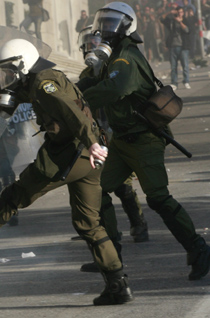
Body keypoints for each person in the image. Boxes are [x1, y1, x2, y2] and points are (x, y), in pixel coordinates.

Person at [0, 38, 134, 306]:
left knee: (14, 197)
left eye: (8, 70)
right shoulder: (38, 79)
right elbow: (21, 96)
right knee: (89, 223)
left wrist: (92, 142)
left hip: (70, 156)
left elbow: (70, 111)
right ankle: (118, 284)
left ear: (22, 65)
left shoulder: (44, 83)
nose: (5, 76)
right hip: (88, 158)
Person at [77, 2, 210, 281]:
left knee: (159, 199)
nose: (105, 28)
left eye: (113, 23)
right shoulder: (113, 55)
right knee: (98, 190)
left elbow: (116, 88)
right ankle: (111, 255)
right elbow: (94, 81)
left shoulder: (126, 56)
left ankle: (199, 250)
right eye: (104, 22)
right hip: (123, 140)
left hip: (144, 140)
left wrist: (79, 100)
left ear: (127, 26)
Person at [76, 27, 148, 273]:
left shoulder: (118, 64)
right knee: (98, 187)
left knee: (123, 185)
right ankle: (110, 244)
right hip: (96, 133)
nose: (92, 47)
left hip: (116, 131)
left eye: (95, 43)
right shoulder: (88, 71)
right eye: (89, 44)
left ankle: (138, 223)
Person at [161, 6, 191, 90]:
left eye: (181, 12)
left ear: (183, 13)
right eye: (177, 12)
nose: (179, 14)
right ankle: (174, 83)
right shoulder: (171, 21)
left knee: (185, 65)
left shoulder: (185, 20)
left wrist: (180, 22)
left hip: (183, 47)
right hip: (173, 46)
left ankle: (186, 81)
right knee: (173, 66)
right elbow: (162, 19)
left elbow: (187, 30)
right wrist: (169, 13)